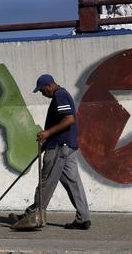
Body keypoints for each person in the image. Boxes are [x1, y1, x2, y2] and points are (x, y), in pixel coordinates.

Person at [25, 73, 91, 230]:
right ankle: (83, 218)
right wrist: (46, 143)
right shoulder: (61, 95)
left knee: (46, 180)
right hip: (67, 146)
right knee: (73, 183)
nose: (42, 94)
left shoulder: (59, 95)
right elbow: (63, 123)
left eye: (42, 90)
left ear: (49, 86)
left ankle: (33, 215)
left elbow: (69, 120)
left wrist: (47, 134)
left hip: (60, 147)